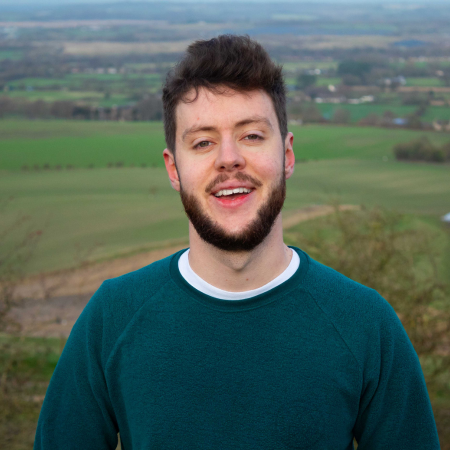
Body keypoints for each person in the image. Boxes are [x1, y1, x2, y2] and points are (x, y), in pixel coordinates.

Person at [34, 35, 440, 450]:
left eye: (251, 136)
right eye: (203, 142)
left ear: (288, 154)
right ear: (173, 169)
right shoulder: (112, 318)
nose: (229, 159)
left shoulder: (366, 324)